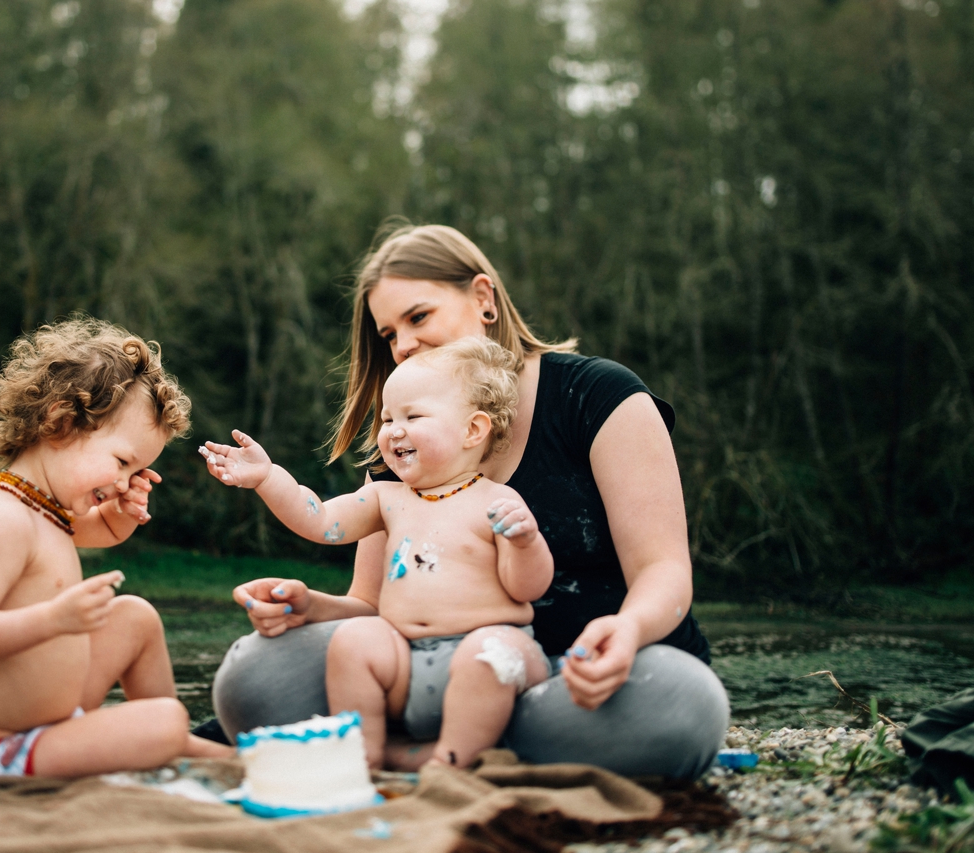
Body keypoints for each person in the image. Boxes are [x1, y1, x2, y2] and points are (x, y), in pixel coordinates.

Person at [210, 224, 729, 780]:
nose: (403, 344)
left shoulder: (597, 396)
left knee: (684, 707)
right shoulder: (407, 445)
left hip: (576, 680)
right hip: (426, 674)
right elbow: (373, 606)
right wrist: (311, 606)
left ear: (483, 298)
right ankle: (464, 750)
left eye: (418, 317)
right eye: (388, 334)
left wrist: (628, 631)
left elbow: (664, 570)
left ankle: (430, 748)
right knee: (252, 678)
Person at [201, 339, 553, 769]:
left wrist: (525, 541)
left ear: (473, 430)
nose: (393, 430)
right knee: (356, 640)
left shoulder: (496, 502)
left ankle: (451, 760)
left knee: (490, 651)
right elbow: (321, 521)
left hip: (486, 659)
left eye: (413, 416)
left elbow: (527, 587)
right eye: (387, 418)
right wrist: (268, 477)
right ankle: (365, 754)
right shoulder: (387, 497)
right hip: (405, 663)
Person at [0, 317, 231, 778]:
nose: (122, 482)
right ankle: (177, 741)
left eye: (135, 472)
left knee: (135, 617)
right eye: (121, 462)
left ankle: (176, 744)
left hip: (52, 721)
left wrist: (120, 514)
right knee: (166, 720)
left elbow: (102, 534)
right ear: (60, 421)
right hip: (3, 752)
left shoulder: (45, 508)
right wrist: (54, 620)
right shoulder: (5, 519)